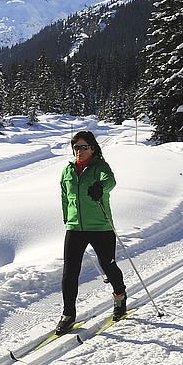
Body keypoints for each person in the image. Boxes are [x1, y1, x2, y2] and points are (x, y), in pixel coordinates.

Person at [56, 131, 127, 335]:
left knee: (108, 265)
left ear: (92, 148)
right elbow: (64, 197)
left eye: (83, 147)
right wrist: (67, 218)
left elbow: (110, 181)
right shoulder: (67, 171)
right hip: (75, 227)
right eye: (76, 147)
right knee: (70, 271)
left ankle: (120, 297)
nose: (79, 151)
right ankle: (68, 314)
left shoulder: (100, 167)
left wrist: (100, 187)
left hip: (100, 226)